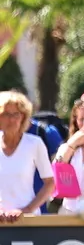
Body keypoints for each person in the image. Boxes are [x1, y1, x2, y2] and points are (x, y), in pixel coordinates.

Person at [0, 90, 55, 221]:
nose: (12, 120)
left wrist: (27, 210)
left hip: (28, 221)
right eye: (6, 114)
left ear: (23, 117)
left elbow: (50, 183)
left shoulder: (35, 143)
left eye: (16, 114)